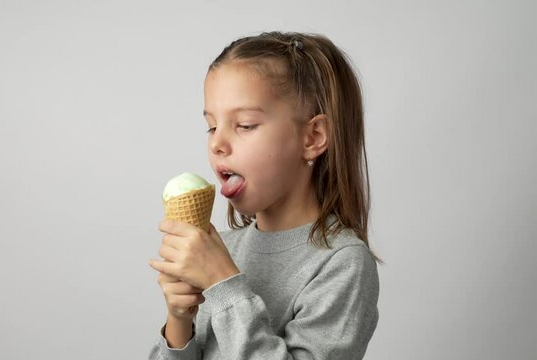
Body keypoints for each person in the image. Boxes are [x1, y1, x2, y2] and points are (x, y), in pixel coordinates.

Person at [149, 31, 382, 359]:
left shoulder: (342, 264)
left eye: (244, 125)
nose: (217, 143)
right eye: (212, 126)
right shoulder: (224, 248)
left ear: (312, 137)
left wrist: (223, 284)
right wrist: (179, 321)